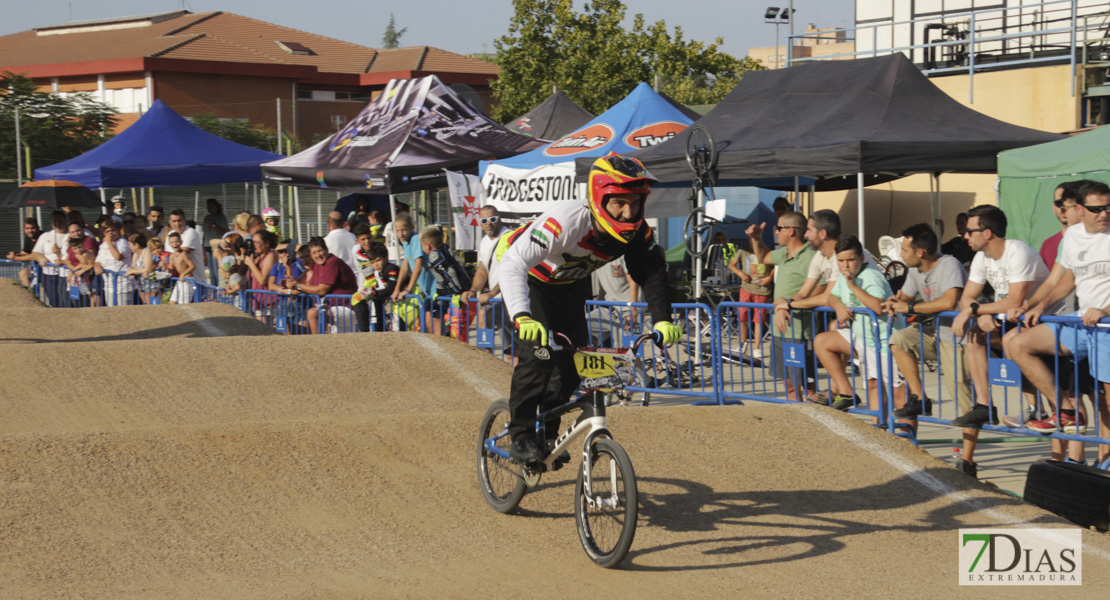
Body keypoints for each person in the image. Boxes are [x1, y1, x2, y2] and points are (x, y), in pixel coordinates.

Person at [498, 153, 680, 464]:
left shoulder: (637, 232)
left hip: (569, 285)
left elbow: (651, 273)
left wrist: (662, 320)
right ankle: (521, 434)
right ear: (599, 197)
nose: (628, 212)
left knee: (571, 365)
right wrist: (522, 316)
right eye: (618, 203)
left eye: (635, 203)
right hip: (528, 278)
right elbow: (514, 262)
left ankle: (548, 434)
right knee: (539, 358)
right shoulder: (566, 220)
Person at [1008, 181, 1110, 466]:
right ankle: (1065, 411)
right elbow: (1065, 280)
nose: (1103, 213)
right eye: (1096, 208)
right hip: (1081, 323)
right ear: (1080, 209)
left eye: (1108, 207)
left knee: (1107, 404)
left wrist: (1103, 309)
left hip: (1107, 326)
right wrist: (1036, 306)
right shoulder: (1074, 236)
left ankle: (1104, 463)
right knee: (1018, 343)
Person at [946, 206, 1048, 477]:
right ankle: (983, 406)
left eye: (970, 231)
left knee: (1014, 341)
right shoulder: (981, 257)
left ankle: (1034, 408)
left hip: (1046, 321)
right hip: (1014, 320)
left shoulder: (1018, 252)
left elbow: (1015, 300)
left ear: (987, 233)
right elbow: (966, 298)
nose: (965, 236)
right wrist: (977, 312)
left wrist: (976, 310)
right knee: (975, 334)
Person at [883, 223, 969, 426]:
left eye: (904, 250)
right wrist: (893, 302)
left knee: (964, 400)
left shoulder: (949, 264)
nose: (901, 255)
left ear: (920, 252)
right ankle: (920, 399)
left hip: (961, 336)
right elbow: (904, 297)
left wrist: (909, 308)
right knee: (898, 340)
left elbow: (949, 302)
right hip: (938, 332)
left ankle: (967, 458)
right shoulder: (915, 269)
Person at [814, 235, 905, 412]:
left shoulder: (871, 276)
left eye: (850, 260)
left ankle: (905, 438)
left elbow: (878, 307)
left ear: (861, 259)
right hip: (864, 339)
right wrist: (839, 306)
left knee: (899, 395)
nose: (845, 265)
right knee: (822, 341)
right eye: (841, 261)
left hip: (887, 342)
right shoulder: (844, 276)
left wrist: (854, 286)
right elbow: (832, 296)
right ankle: (847, 393)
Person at [747, 211, 818, 403]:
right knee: (789, 384)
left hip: (801, 331)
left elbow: (820, 291)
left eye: (779, 228)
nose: (776, 232)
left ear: (792, 231)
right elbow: (763, 257)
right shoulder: (783, 254)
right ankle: (797, 422)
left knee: (807, 387)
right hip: (780, 330)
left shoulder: (811, 257)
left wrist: (787, 304)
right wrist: (756, 239)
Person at [421, 225, 473, 338]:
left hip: (458, 297)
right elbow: (442, 278)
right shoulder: (445, 249)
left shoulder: (434, 255)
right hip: (448, 294)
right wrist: (439, 293)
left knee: (456, 333)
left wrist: (457, 292)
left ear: (427, 245)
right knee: (436, 318)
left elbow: (450, 273)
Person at [300, 237, 359, 334]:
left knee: (313, 313)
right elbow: (308, 288)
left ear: (326, 250)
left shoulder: (332, 262)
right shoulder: (318, 266)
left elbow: (322, 290)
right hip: (333, 309)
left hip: (347, 308)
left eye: (320, 251)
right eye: (314, 253)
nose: (318, 255)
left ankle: (317, 344)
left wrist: (297, 286)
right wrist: (289, 288)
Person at [728, 239, 773, 358]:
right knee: (742, 316)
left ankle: (757, 347)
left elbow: (775, 265)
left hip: (762, 289)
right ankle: (742, 344)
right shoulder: (743, 250)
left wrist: (769, 278)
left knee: (759, 319)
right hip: (746, 287)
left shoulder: (767, 249)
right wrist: (741, 274)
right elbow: (731, 265)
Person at [391, 213, 435, 331]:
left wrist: (408, 290)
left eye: (404, 230)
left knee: (431, 324)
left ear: (411, 228)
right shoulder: (406, 242)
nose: (401, 234)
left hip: (433, 288)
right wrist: (396, 288)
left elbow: (418, 266)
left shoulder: (415, 239)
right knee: (426, 323)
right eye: (398, 230)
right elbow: (405, 267)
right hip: (426, 290)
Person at [1040, 181, 1083, 270]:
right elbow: (1051, 281)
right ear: (1053, 208)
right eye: (1059, 203)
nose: (1063, 207)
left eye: (1068, 203)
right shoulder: (1048, 245)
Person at [93, 220, 133, 306]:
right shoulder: (103, 245)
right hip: (109, 286)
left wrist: (109, 243)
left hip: (123, 285)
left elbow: (118, 257)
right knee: (111, 312)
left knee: (124, 313)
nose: (111, 233)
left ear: (118, 230)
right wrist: (97, 266)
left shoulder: (123, 243)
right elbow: (98, 260)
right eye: (107, 231)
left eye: (113, 230)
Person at [167, 209, 205, 284]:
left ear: (185, 220)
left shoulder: (191, 232)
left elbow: (182, 252)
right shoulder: (170, 234)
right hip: (178, 280)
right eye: (174, 221)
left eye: (179, 220)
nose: (177, 224)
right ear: (170, 223)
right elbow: (166, 254)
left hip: (195, 280)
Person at [5, 218, 43, 287]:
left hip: (48, 269)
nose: (30, 231)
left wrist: (15, 258)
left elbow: (34, 256)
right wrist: (16, 254)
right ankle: (30, 295)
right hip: (37, 268)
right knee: (23, 273)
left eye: (33, 228)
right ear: (24, 229)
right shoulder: (28, 238)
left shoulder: (43, 237)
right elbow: (24, 252)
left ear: (38, 227)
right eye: (27, 228)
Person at [124, 234, 157, 304]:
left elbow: (147, 269)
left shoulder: (147, 252)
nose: (129, 247)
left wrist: (133, 271)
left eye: (130, 245)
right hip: (142, 287)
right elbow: (132, 266)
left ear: (136, 245)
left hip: (152, 286)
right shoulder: (135, 254)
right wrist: (131, 270)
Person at [323, 211, 359, 275]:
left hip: (337, 277)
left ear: (329, 224)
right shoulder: (354, 237)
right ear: (343, 223)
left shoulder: (325, 241)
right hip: (355, 276)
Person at [166, 231, 196, 304]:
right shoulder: (172, 256)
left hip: (187, 281)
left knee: (183, 303)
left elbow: (193, 266)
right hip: (180, 281)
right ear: (169, 244)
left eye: (177, 242)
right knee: (172, 301)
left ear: (181, 242)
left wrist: (183, 274)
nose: (175, 244)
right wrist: (164, 267)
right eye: (172, 242)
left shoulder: (183, 254)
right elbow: (171, 269)